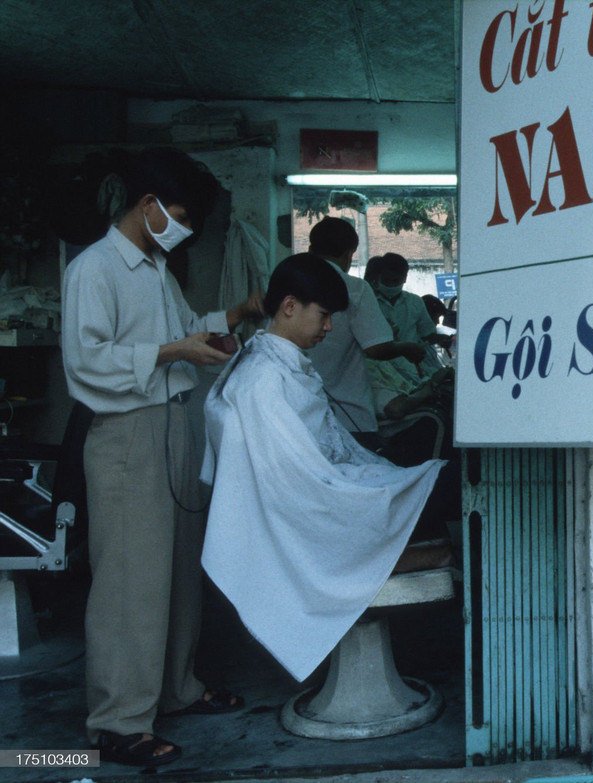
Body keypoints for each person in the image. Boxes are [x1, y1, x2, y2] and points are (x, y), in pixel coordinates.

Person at [60, 147, 262, 767]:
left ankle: (176, 688)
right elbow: (87, 360)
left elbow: (184, 328)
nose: (183, 230)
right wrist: (174, 353)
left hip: (176, 423)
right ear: (147, 205)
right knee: (130, 579)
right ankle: (118, 722)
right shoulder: (95, 269)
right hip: (127, 432)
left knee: (176, 569)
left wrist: (234, 316)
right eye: (179, 216)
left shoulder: (156, 269)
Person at [200, 253, 447, 682]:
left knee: (431, 479)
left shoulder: (279, 364)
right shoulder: (263, 380)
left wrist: (372, 474)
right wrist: (369, 485)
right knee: (448, 486)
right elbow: (297, 484)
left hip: (321, 493)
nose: (329, 327)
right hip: (309, 515)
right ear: (289, 306)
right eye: (324, 315)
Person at [304, 218, 425, 437]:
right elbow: (377, 348)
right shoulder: (355, 289)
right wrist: (406, 347)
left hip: (300, 415)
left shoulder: (289, 285)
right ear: (349, 254)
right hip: (349, 416)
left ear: (311, 250)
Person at [364, 252, 452, 375]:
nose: (391, 285)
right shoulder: (367, 302)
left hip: (412, 366)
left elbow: (427, 334)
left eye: (396, 281)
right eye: (386, 281)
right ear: (378, 277)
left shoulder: (415, 302)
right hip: (380, 368)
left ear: (405, 278)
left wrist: (440, 339)